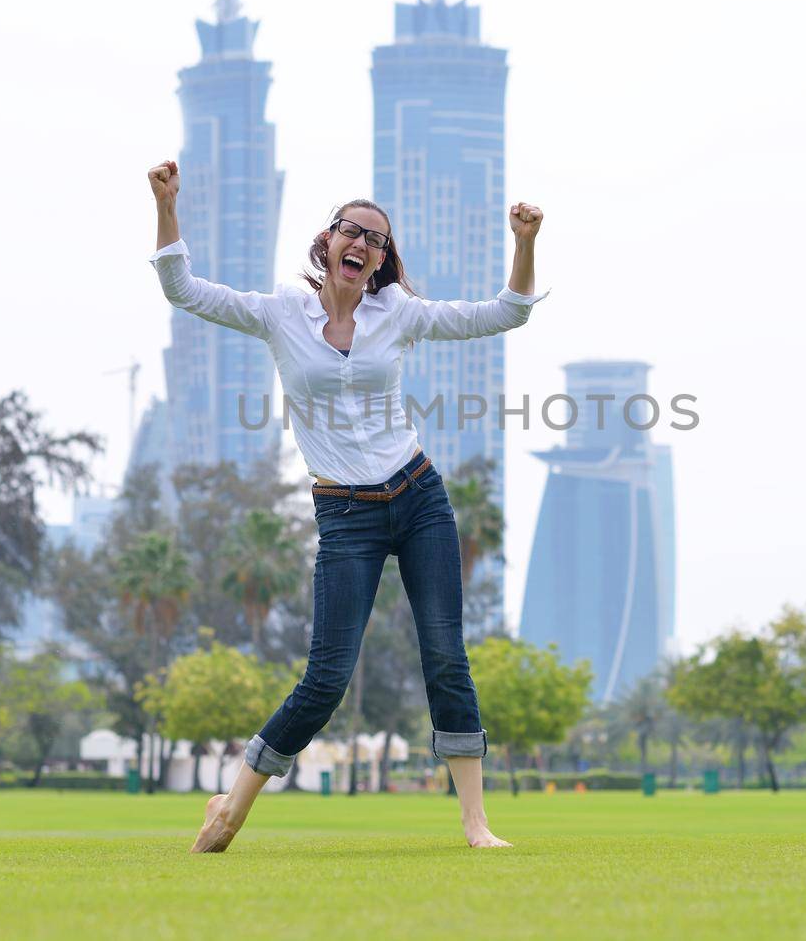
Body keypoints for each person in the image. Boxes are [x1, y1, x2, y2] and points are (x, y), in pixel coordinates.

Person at [144, 159, 549, 851]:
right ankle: (230, 810)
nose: (364, 244)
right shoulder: (280, 313)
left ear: (383, 261)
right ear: (328, 241)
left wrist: (525, 242)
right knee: (326, 677)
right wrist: (167, 204)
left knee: (447, 656)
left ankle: (477, 825)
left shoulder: (401, 315)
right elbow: (184, 291)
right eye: (353, 232)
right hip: (345, 515)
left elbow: (506, 314)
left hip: (417, 496)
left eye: (378, 240)